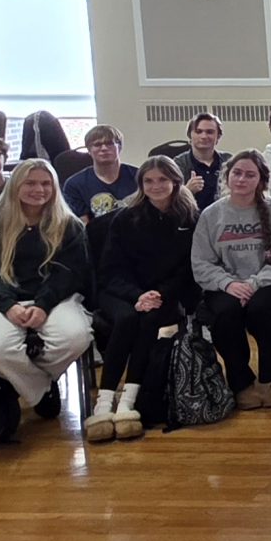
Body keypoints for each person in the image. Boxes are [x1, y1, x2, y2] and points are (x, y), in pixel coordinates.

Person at [0, 159, 95, 418]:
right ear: (15, 186)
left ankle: (16, 383)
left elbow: (70, 273)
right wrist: (7, 305)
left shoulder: (69, 226)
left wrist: (43, 305)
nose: (39, 189)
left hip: (54, 299)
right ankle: (41, 389)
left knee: (75, 338)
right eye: (30, 183)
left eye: (46, 183)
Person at [85, 155, 199, 443]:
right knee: (126, 319)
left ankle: (127, 403)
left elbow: (188, 269)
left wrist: (158, 294)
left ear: (176, 181)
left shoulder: (189, 218)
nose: (155, 186)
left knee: (149, 321)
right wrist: (136, 295)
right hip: (121, 291)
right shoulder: (126, 218)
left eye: (162, 179)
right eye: (148, 181)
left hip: (164, 294)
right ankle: (103, 405)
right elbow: (111, 269)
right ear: (141, 184)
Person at [193, 150, 271, 411]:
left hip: (270, 281)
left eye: (250, 175)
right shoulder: (210, 215)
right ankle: (240, 381)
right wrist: (229, 284)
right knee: (224, 313)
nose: (242, 179)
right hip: (225, 283)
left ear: (261, 180)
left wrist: (254, 283)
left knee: (260, 310)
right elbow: (201, 263)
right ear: (227, 176)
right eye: (237, 173)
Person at [178, 112, 229, 209]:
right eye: (198, 131)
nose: (204, 136)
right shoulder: (178, 164)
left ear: (218, 136)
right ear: (190, 135)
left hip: (223, 215)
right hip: (191, 216)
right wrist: (187, 191)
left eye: (209, 132)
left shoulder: (229, 161)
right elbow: (168, 201)